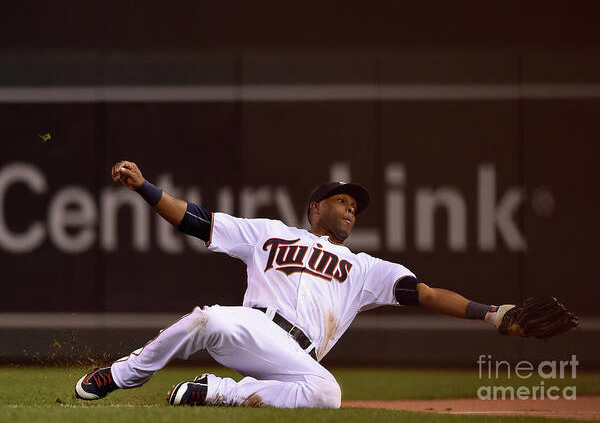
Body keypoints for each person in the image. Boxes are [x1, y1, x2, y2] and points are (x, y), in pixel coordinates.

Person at [74, 160, 575, 408]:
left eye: (355, 204)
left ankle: (218, 392)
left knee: (328, 393)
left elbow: (425, 293)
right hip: (252, 327)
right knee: (206, 317)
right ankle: (120, 375)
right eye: (341, 200)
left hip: (297, 358)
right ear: (315, 207)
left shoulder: (364, 268)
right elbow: (197, 221)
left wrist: (490, 313)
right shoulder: (270, 234)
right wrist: (145, 188)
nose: (351, 207)